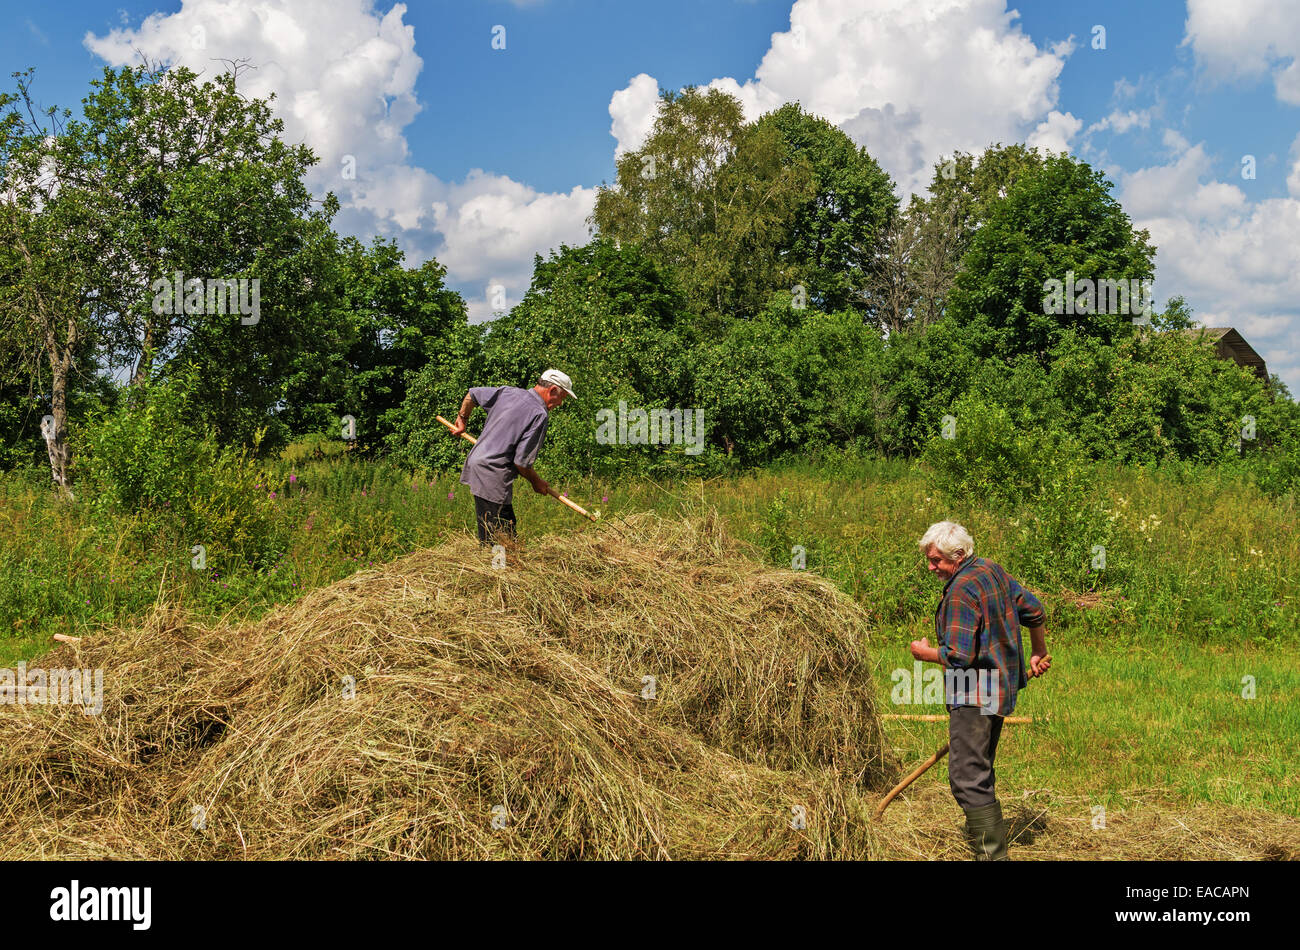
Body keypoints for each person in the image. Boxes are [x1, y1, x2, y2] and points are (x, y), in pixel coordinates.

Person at [911, 520, 1052, 860]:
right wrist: (1038, 650)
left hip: (973, 693)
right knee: (979, 769)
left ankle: (992, 856)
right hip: (997, 689)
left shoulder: (961, 590)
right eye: (929, 560)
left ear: (958, 555)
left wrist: (924, 653)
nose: (931, 567)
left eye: (937, 561)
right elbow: (1034, 611)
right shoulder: (990, 569)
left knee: (966, 777)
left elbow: (958, 657)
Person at [448, 370, 575, 544]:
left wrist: (462, 418)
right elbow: (521, 462)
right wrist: (536, 482)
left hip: (478, 464)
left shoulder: (509, 392)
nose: (560, 403)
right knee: (500, 539)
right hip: (493, 475)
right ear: (552, 390)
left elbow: (472, 394)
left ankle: (494, 564)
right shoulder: (539, 414)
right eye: (562, 398)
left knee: (495, 530)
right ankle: (496, 568)